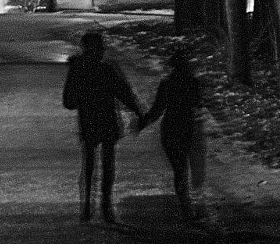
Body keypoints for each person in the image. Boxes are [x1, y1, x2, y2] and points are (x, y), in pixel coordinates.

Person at [62, 30, 143, 223]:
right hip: (107, 121)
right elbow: (123, 93)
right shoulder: (106, 70)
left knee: (89, 163)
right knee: (107, 164)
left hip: (89, 121)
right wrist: (138, 112)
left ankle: (87, 206)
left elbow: (68, 101)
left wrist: (82, 97)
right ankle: (106, 206)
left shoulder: (78, 70)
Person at [137, 50, 203, 219]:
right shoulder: (193, 83)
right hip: (186, 126)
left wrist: (144, 122)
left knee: (178, 168)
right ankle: (186, 204)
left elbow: (158, 109)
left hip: (170, 127)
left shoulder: (167, 84)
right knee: (183, 167)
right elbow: (198, 103)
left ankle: (184, 202)